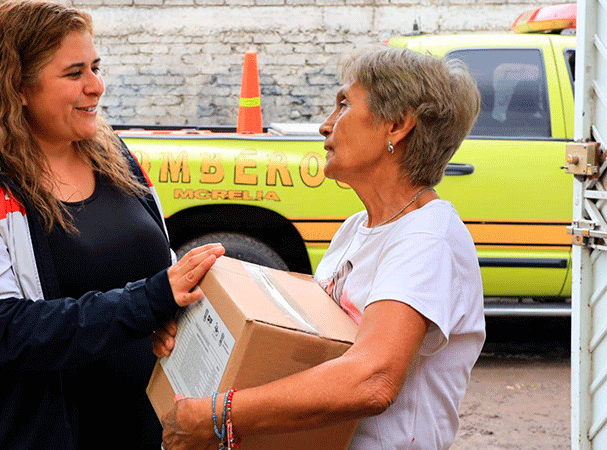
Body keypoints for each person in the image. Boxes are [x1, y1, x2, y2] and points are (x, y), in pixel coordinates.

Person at [0, 1, 224, 448]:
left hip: (144, 428)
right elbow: (0, 330)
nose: (96, 86)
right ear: (18, 86)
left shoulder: (116, 158)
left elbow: (159, 269)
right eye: (74, 72)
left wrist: (171, 309)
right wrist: (148, 301)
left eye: (95, 67)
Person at [157, 46, 485, 449]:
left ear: (397, 125)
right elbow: (302, 341)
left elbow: (372, 379)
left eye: (344, 105)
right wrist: (197, 336)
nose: (325, 126)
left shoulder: (426, 239)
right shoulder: (357, 228)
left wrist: (220, 415)